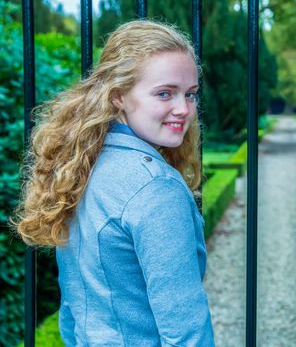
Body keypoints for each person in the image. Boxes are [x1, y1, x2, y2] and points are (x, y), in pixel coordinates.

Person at [15, 20, 215, 346]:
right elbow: (186, 332)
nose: (184, 109)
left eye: (190, 94)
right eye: (165, 93)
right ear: (119, 96)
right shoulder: (155, 189)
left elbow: (73, 309)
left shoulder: (79, 166)